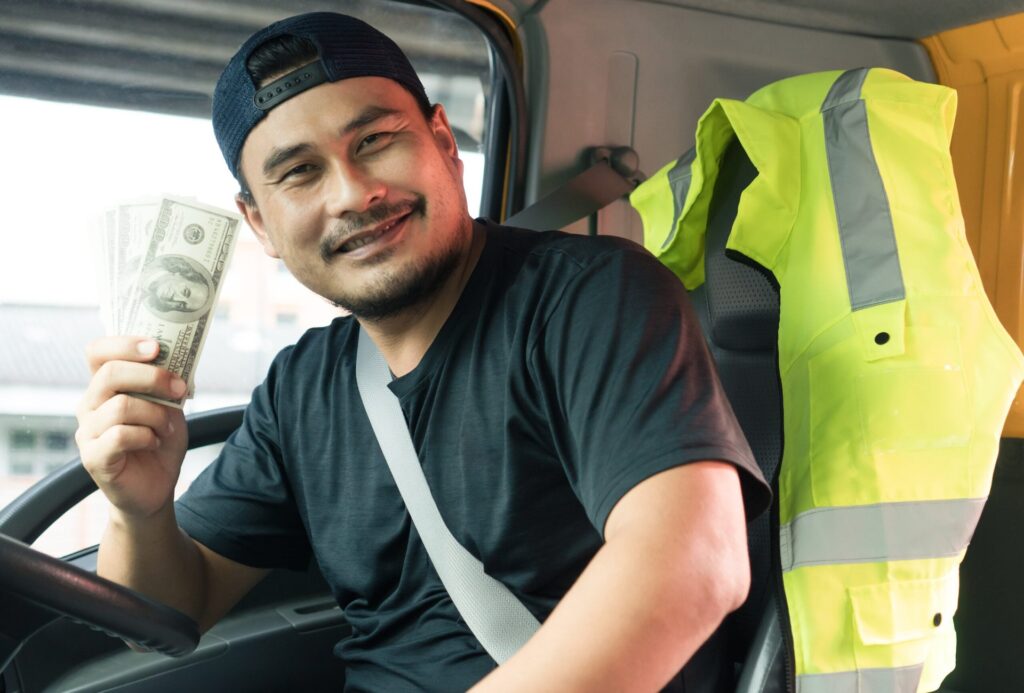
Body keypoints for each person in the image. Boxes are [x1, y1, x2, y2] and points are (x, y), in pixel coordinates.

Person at [75, 11, 770, 692]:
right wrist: (140, 510)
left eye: (376, 140)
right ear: (259, 222)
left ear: (442, 142)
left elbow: (694, 565)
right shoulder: (301, 387)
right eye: (301, 172)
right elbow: (168, 615)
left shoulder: (591, 296)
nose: (354, 193)